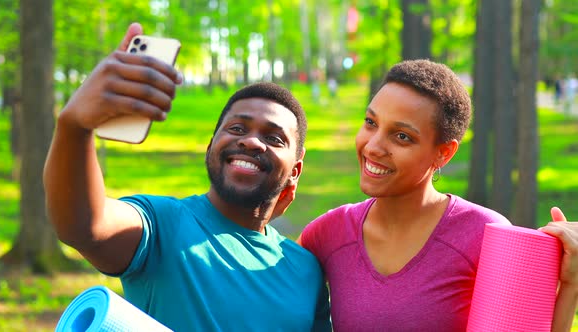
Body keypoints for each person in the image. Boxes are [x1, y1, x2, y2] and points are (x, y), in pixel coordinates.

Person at [43, 23, 331, 332]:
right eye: (236, 129)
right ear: (211, 148)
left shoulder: (306, 270)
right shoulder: (163, 225)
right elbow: (84, 226)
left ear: (295, 173)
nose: (251, 142)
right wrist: (74, 126)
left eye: (274, 138)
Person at [297, 59, 578, 331]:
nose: (373, 146)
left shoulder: (484, 234)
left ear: (444, 153)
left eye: (402, 137)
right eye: (371, 122)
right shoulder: (328, 233)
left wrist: (570, 284)